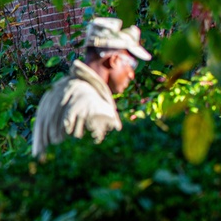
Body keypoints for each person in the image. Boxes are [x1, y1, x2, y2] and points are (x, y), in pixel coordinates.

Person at [31, 17, 151, 157]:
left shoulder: (56, 91)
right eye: (131, 65)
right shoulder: (95, 107)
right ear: (114, 60)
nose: (131, 74)